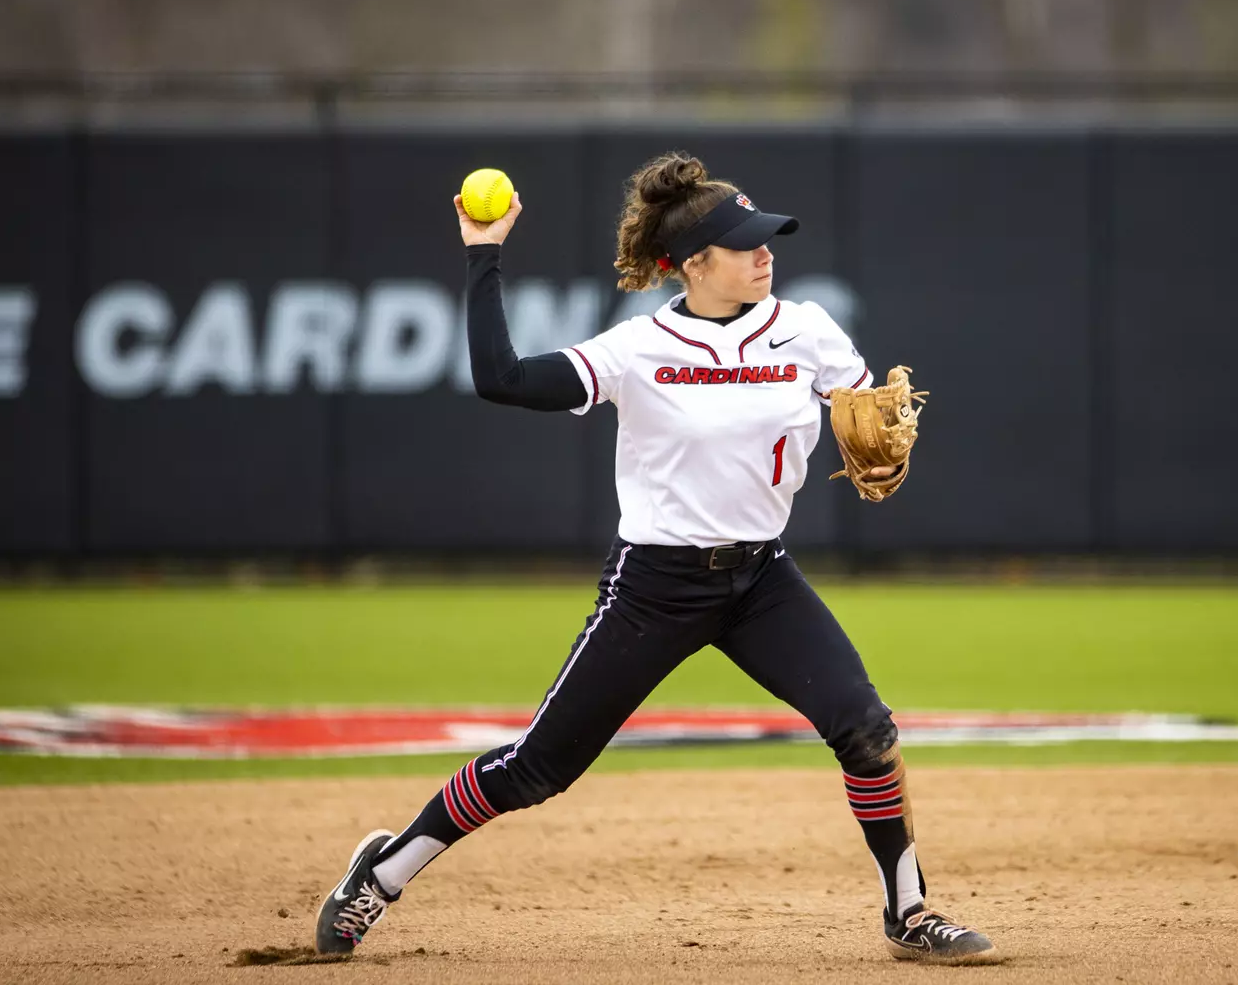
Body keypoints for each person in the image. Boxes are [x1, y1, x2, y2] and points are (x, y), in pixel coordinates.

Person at [314, 152, 1000, 966]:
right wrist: (482, 252)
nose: (764, 252)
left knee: (867, 730)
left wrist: (882, 453)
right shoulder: (639, 347)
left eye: (766, 239)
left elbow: (862, 412)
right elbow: (500, 379)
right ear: (693, 265)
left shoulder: (806, 328)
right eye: (744, 244)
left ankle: (909, 912)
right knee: (538, 768)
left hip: (761, 579)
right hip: (654, 587)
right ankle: (382, 874)